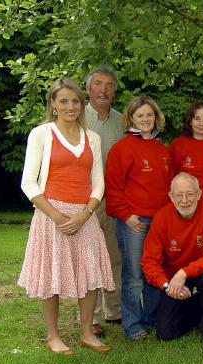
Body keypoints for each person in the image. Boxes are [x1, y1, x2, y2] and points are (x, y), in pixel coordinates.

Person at [18, 77, 114, 354]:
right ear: (53, 105)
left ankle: (86, 332)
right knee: (52, 277)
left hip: (84, 215)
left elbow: (99, 183)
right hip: (51, 216)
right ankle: (53, 336)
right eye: (63, 101)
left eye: (75, 101)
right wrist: (57, 216)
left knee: (89, 274)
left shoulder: (92, 138)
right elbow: (29, 182)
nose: (70, 106)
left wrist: (85, 214)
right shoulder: (41, 134)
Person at [105, 95, 171, 341]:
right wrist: (127, 216)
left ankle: (150, 317)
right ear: (131, 118)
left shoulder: (162, 149)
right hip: (134, 221)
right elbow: (113, 189)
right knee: (133, 276)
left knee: (155, 271)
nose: (145, 119)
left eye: (149, 115)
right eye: (140, 115)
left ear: (156, 118)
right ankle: (132, 324)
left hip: (160, 223)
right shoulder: (121, 149)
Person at [141, 172, 203, 348]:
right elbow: (149, 262)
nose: (185, 200)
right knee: (165, 333)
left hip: (201, 272)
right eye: (179, 195)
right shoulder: (161, 218)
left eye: (190, 194)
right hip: (174, 280)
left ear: (199, 194)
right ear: (171, 197)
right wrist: (167, 285)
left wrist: (184, 272)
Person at [84, 65, 124, 336]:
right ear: (88, 89)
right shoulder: (77, 118)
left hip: (116, 199)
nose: (104, 90)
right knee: (89, 258)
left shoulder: (122, 121)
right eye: (98, 84)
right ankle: (92, 316)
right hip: (86, 200)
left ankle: (115, 309)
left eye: (109, 85)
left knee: (115, 256)